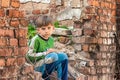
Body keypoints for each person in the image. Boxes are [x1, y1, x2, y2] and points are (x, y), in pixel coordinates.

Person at [26, 15, 68, 80]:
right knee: (53, 56)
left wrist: (54, 52)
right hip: (37, 66)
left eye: (49, 28)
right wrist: (45, 53)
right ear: (38, 30)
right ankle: (44, 77)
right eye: (43, 29)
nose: (46, 31)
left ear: (53, 29)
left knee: (63, 56)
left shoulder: (51, 39)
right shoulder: (36, 40)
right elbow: (29, 56)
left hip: (48, 63)